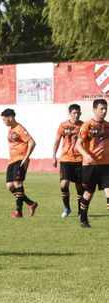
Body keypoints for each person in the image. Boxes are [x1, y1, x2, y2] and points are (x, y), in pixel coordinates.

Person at [74, 98, 109, 229]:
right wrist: (86, 155)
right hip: (90, 165)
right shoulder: (87, 125)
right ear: (95, 110)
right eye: (101, 109)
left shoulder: (108, 125)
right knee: (89, 192)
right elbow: (78, 145)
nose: (104, 111)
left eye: (106, 109)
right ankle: (83, 218)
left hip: (106, 165)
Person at [1, 109, 38, 218]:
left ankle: (18, 212)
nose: (3, 122)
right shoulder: (10, 130)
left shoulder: (20, 129)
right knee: (10, 186)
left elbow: (32, 142)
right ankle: (31, 203)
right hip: (12, 160)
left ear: (10, 118)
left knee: (18, 184)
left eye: (4, 120)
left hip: (20, 159)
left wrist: (26, 158)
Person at [51, 104, 84, 218]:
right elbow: (57, 140)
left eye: (78, 113)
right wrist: (54, 156)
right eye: (74, 113)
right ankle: (67, 208)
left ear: (80, 113)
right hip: (65, 159)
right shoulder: (63, 126)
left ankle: (80, 211)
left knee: (80, 186)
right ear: (69, 113)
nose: (76, 115)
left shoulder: (84, 126)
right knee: (64, 183)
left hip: (80, 160)